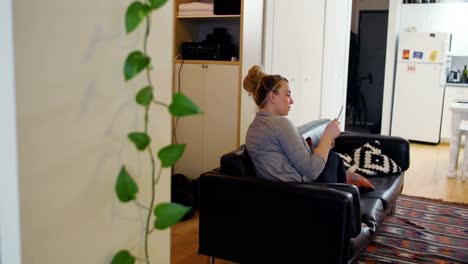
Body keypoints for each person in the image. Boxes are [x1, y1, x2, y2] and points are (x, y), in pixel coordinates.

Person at [243, 65, 346, 183]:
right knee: (334, 159)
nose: (292, 101)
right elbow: (312, 171)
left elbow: (289, 160)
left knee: (333, 160)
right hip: (298, 193)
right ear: (272, 96)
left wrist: (322, 148)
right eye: (287, 94)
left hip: (279, 192)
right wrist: (327, 136)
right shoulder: (280, 124)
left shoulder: (254, 127)